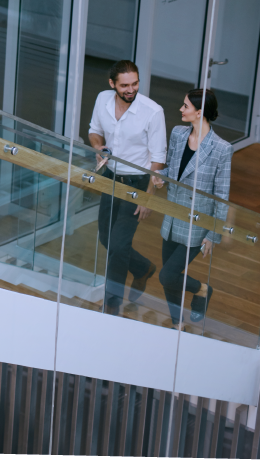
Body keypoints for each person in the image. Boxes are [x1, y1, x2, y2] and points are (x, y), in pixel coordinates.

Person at [89, 60, 167, 315]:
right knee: (106, 238)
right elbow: (94, 132)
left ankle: (112, 305)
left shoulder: (152, 112)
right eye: (124, 85)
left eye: (134, 84)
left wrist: (149, 197)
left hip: (137, 183)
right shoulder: (102, 99)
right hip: (110, 178)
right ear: (112, 84)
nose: (131, 89)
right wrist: (99, 147)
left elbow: (158, 158)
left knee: (120, 245)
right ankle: (143, 267)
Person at [151, 88, 233, 328]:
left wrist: (213, 234)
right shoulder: (178, 134)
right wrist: (160, 176)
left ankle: (203, 289)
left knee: (167, 275)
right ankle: (177, 324)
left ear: (199, 112)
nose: (180, 109)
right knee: (170, 279)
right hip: (173, 216)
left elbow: (222, 195)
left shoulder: (221, 149)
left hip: (198, 223)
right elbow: (173, 172)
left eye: (185, 106)